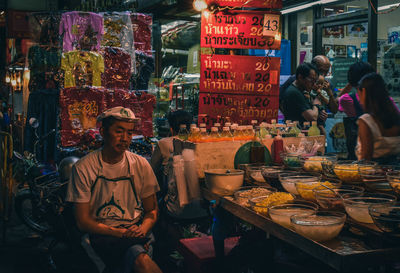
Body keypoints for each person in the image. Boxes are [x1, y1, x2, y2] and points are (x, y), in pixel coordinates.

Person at [66, 106, 162, 273]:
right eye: (119, 131)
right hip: (101, 234)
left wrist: (141, 230)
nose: (125, 138)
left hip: (135, 230)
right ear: (103, 131)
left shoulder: (140, 165)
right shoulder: (84, 168)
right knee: (139, 258)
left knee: (138, 257)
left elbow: (152, 210)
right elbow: (83, 221)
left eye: (129, 133)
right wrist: (120, 233)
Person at [151, 109, 208, 219]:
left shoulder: (163, 143)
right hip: (203, 209)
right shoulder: (202, 141)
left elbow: (152, 170)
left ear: (171, 128)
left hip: (175, 208)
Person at [356, 73, 400, 164]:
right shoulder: (396, 117)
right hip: (394, 173)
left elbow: (366, 159)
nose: (359, 100)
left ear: (363, 92)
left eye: (358, 95)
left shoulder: (366, 121)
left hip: (374, 175)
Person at [338, 62, 375, 160]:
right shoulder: (387, 101)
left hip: (357, 158)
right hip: (385, 160)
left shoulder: (347, 100)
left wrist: (349, 85)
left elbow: (337, 100)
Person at [281, 62, 327, 127]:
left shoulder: (302, 91)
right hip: (296, 134)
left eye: (315, 81)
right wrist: (316, 104)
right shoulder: (294, 92)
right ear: (300, 77)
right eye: (311, 80)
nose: (314, 84)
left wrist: (321, 114)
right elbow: (312, 117)